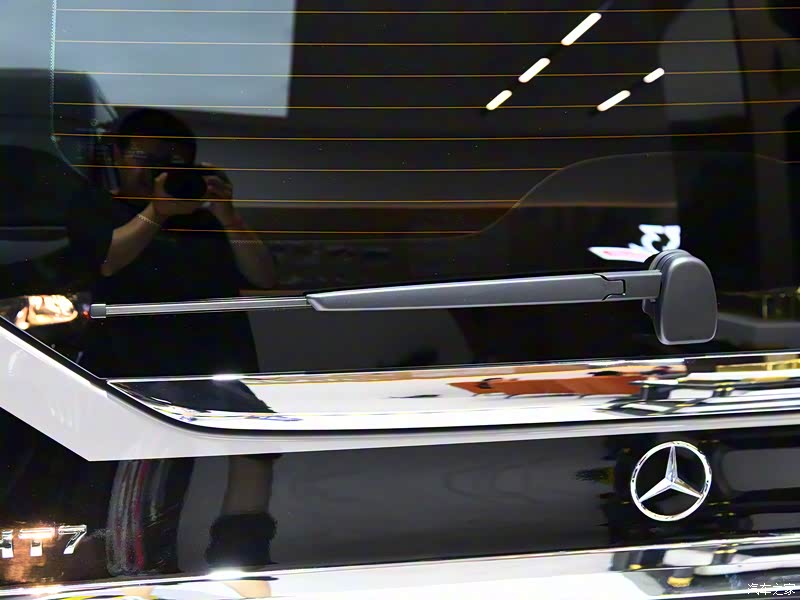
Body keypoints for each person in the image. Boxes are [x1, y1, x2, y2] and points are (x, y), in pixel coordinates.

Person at [76, 108, 276, 377]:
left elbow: (264, 277)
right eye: (143, 158)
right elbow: (107, 262)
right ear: (117, 156)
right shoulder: (95, 205)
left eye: (171, 162)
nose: (155, 172)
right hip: (126, 368)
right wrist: (157, 212)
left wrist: (230, 218)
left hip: (215, 367)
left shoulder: (205, 218)